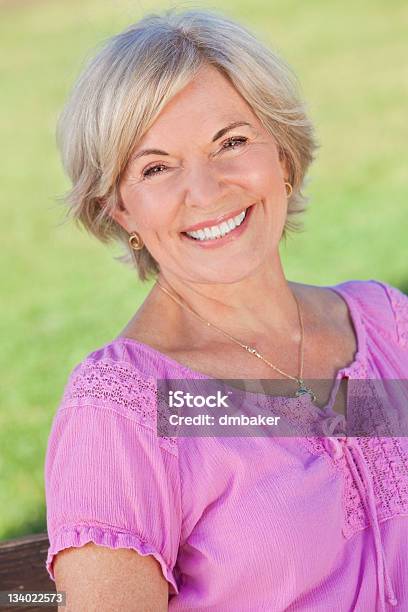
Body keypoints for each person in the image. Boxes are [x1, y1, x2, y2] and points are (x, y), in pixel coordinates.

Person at [44, 8, 408, 611]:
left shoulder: (383, 324)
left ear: (283, 158)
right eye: (156, 167)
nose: (208, 192)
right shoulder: (125, 410)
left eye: (232, 142)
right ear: (120, 210)